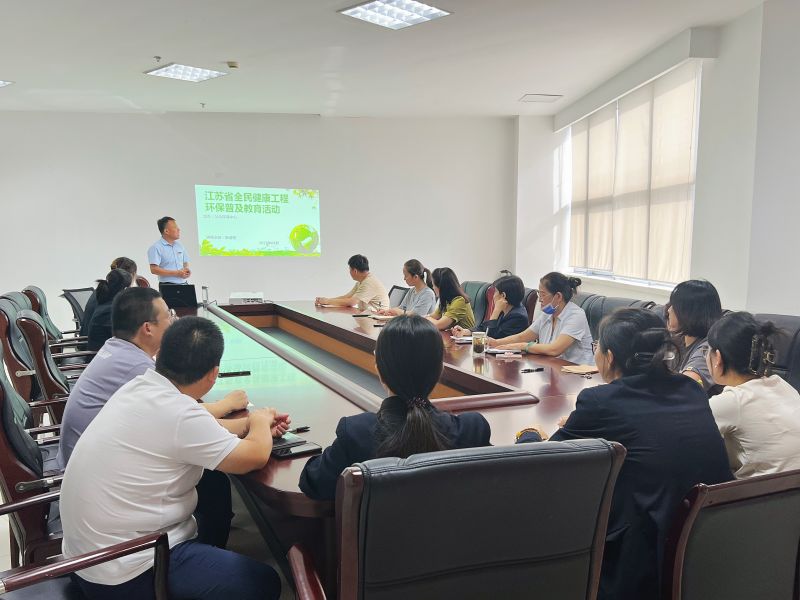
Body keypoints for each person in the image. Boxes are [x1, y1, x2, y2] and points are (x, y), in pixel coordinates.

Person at [61, 316, 287, 600]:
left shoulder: (141, 386)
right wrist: (260, 420)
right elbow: (254, 456)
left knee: (212, 486)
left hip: (86, 559)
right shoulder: (178, 414)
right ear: (213, 374)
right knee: (263, 582)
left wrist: (246, 427)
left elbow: (193, 424)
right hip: (126, 573)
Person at [516, 308, 732, 600]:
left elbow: (545, 463)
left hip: (638, 562)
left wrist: (529, 435)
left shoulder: (601, 401)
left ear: (609, 357)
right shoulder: (690, 390)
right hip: (708, 549)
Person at [59, 287, 255, 548]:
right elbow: (180, 418)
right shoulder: (137, 367)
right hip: (109, 498)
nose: (173, 321)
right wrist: (233, 411)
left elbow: (177, 417)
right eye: (168, 316)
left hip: (91, 478)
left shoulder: (119, 351)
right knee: (213, 478)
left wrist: (232, 417)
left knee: (208, 473)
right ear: (148, 328)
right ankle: (207, 549)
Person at [299, 314, 491, 501]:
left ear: (379, 368)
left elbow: (312, 483)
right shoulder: (472, 430)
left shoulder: (355, 432)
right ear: (440, 369)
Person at [706, 311, 800, 478]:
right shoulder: (781, 384)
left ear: (718, 358)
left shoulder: (732, 401)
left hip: (764, 493)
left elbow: (686, 438)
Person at [492, 272, 593, 364]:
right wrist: (495, 343)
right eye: (538, 294)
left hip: (579, 373)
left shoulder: (576, 315)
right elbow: (522, 337)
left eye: (542, 294)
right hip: (553, 368)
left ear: (558, 296)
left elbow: (555, 349)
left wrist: (523, 346)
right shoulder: (547, 314)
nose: (539, 299)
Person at [666, 279, 722, 391]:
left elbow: (685, 387)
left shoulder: (708, 348)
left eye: (675, 306)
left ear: (691, 313)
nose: (669, 310)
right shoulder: (678, 339)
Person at [452, 275, 528, 339]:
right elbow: (484, 328)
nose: (493, 296)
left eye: (495, 292)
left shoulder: (517, 317)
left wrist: (496, 311)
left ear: (503, 296)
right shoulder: (506, 308)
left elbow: (490, 337)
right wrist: (465, 331)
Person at [81, 257, 137, 337]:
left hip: (90, 340)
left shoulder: (104, 292)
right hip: (97, 343)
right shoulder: (113, 301)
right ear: (132, 275)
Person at [315, 254, 390, 311]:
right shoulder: (362, 281)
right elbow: (347, 297)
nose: (349, 272)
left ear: (355, 271)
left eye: (350, 269)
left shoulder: (369, 282)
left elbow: (351, 302)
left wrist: (328, 301)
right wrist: (326, 300)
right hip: (369, 315)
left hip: (378, 319)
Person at [86, 268, 133, 351]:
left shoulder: (107, 303)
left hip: (107, 353)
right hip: (103, 356)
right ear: (124, 289)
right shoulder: (110, 311)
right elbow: (126, 339)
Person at [147, 216, 191, 284]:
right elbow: (154, 269)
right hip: (168, 285)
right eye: (175, 227)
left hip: (184, 283)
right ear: (166, 231)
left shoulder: (179, 245)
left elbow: (185, 262)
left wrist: (186, 269)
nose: (179, 229)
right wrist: (176, 273)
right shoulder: (156, 247)